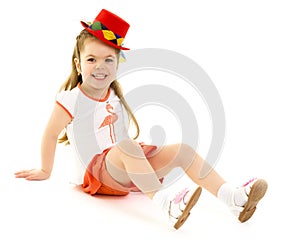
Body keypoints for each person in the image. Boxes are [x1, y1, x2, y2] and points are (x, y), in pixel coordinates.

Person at [14, 9, 268, 230]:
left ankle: (233, 199)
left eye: (108, 60)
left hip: (121, 168)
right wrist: (45, 170)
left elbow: (119, 137)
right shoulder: (70, 99)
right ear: (79, 65)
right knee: (127, 145)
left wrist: (138, 161)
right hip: (97, 175)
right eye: (91, 59)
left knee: (183, 151)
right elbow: (49, 134)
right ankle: (167, 205)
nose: (100, 66)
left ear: (117, 66)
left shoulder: (113, 96)